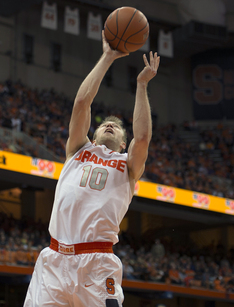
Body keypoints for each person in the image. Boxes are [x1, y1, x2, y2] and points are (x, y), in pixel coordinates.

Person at [23, 31, 160, 307]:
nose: (110, 124)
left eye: (117, 126)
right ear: (93, 135)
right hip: (53, 259)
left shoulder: (128, 166)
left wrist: (142, 85)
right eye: (104, 124)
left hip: (97, 263)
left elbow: (143, 138)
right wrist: (108, 56)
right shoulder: (77, 149)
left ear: (123, 143)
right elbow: (82, 103)